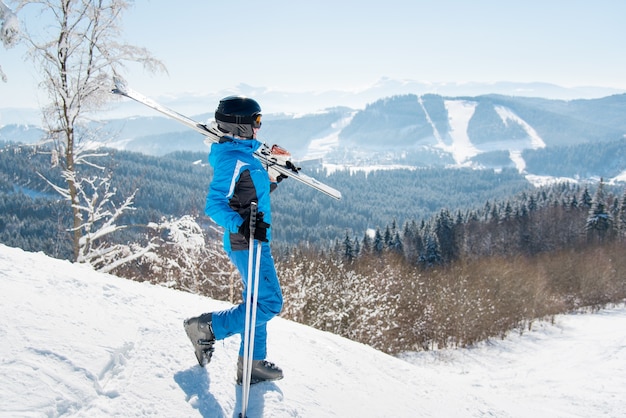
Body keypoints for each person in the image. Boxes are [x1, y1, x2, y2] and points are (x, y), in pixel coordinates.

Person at [184, 96, 284, 385]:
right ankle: (206, 327)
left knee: (255, 301)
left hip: (255, 239)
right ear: (239, 127)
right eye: (256, 122)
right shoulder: (234, 158)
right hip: (246, 242)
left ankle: (252, 363)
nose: (259, 128)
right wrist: (243, 227)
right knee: (269, 303)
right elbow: (214, 204)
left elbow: (250, 194)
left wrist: (275, 178)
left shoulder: (248, 155)